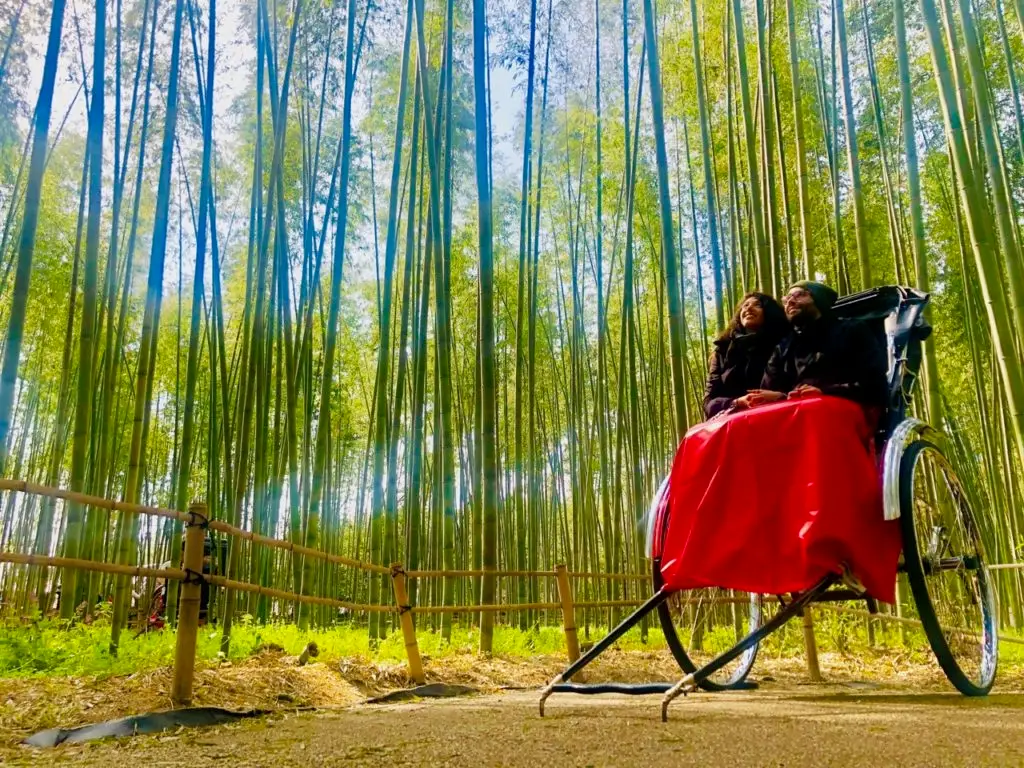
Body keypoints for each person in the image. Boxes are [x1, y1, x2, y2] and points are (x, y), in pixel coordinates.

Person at [752, 280, 889, 412]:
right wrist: (779, 396)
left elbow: (876, 385)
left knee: (813, 409)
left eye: (799, 295)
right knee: (738, 422)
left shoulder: (851, 330)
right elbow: (769, 390)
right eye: (786, 299)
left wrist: (825, 391)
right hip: (793, 411)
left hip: (843, 407)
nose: (790, 301)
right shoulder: (783, 347)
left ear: (819, 299)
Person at [703, 292, 789, 419]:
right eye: (745, 305)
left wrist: (781, 396)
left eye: (757, 305)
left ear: (769, 312)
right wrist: (736, 402)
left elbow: (802, 386)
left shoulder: (785, 344)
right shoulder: (723, 350)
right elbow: (709, 401)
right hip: (735, 421)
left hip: (780, 417)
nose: (748, 308)